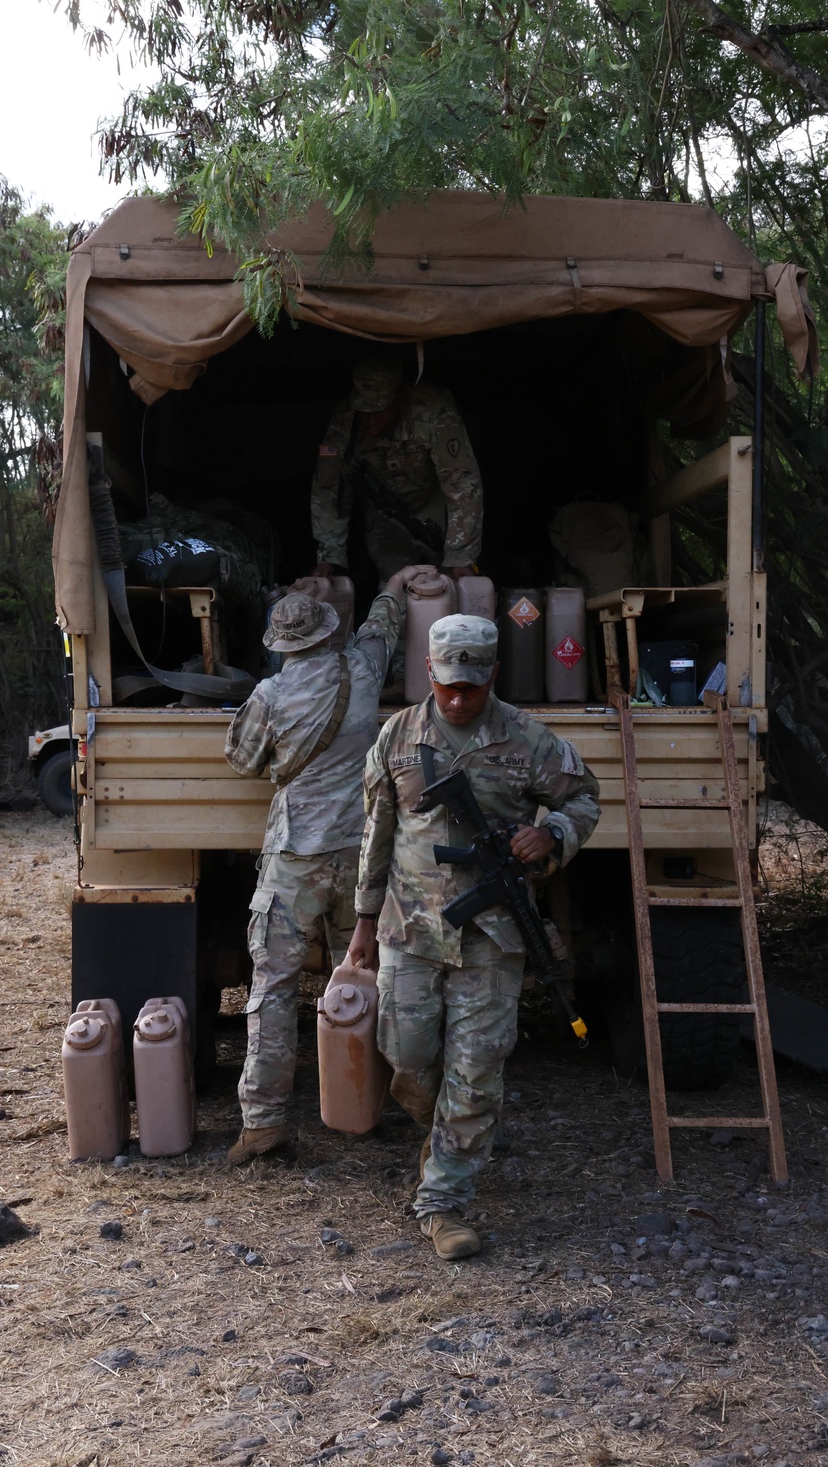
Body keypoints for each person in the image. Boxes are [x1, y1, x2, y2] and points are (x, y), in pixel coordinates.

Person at [347, 614, 601, 1259]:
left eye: (472, 686)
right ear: (429, 672)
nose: (459, 699)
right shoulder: (397, 736)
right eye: (448, 686)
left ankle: (444, 1202)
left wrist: (552, 835)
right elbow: (377, 835)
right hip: (409, 931)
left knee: (477, 1067)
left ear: (493, 674)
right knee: (405, 1054)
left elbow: (585, 799)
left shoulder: (529, 740)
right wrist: (363, 922)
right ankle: (449, 1134)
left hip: (493, 936)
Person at [223, 564, 433, 1164]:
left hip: (294, 859)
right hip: (363, 859)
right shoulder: (361, 671)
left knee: (273, 989)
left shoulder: (269, 695)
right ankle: (379, 1108)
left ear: (280, 644)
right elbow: (382, 627)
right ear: (326, 632)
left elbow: (242, 760)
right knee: (373, 983)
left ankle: (263, 1124)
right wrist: (393, 586)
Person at [311, 352, 483, 585]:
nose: (370, 419)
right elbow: (329, 488)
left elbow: (462, 483)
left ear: (396, 398)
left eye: (378, 410)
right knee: (394, 590)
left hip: (435, 512)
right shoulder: (344, 424)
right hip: (385, 515)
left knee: (444, 590)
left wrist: (462, 555)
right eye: (364, 410)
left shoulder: (433, 412)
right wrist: (329, 556)